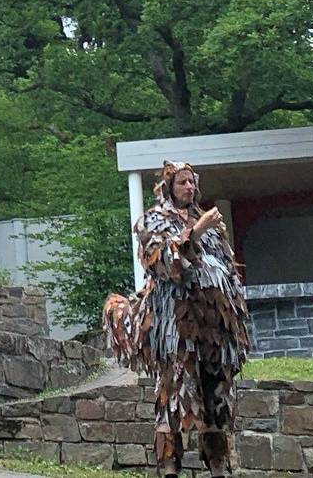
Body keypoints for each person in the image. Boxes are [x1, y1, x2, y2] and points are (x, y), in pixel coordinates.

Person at [102, 160, 250, 477]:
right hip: (176, 327)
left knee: (216, 397)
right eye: (183, 182)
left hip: (214, 329)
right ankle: (169, 465)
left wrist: (235, 313)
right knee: (174, 393)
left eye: (193, 182)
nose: (190, 188)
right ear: (170, 186)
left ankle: (218, 466)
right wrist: (195, 232)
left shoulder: (210, 221)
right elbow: (159, 262)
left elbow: (227, 266)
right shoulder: (155, 220)